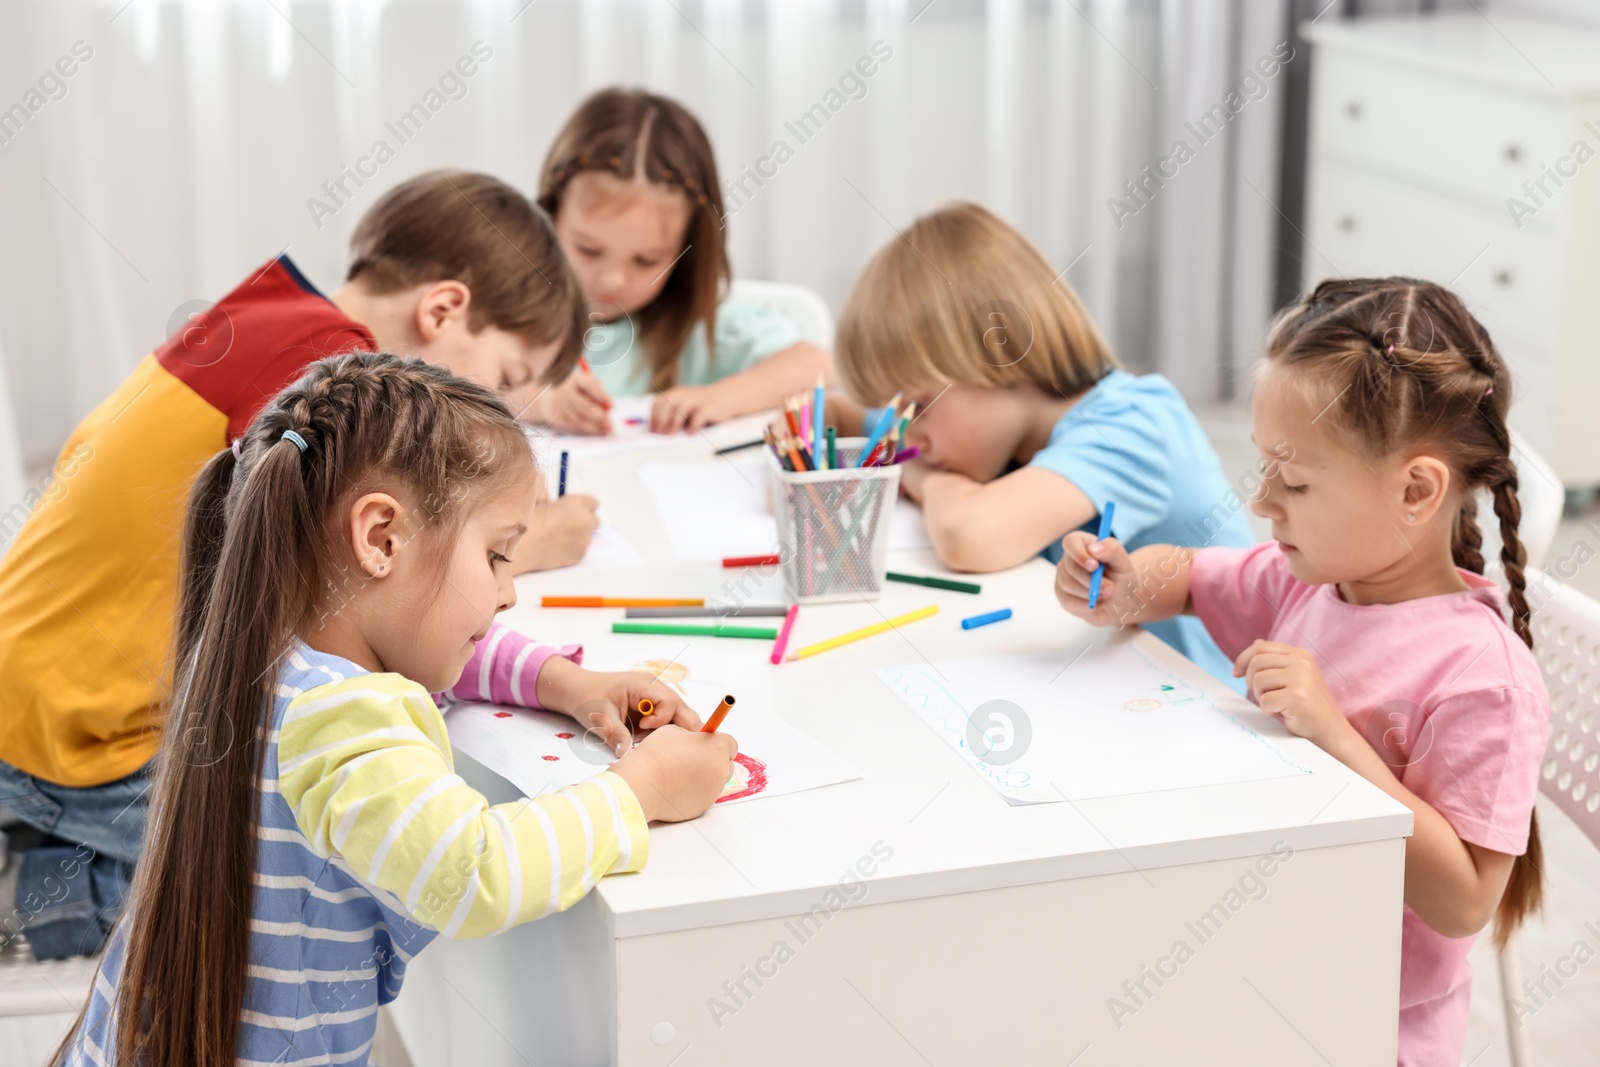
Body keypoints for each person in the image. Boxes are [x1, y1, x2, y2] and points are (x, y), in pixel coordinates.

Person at [54, 352, 736, 1066]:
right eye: (499, 555)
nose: (509, 593)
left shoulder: (267, 638)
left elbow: (442, 649)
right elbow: (469, 873)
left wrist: (565, 680)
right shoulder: (342, 719)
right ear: (382, 538)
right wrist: (642, 789)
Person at [0, 171, 596, 960]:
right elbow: (371, 602)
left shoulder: (279, 313)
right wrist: (528, 538)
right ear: (443, 309)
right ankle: (25, 899)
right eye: (509, 379)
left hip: (29, 672)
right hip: (82, 726)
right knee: (288, 867)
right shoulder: (336, 384)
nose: (499, 409)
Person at [1055, 277, 1549, 1067]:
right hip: (1257, 966)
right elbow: (1188, 572)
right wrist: (1121, 585)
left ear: (1416, 490)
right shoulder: (1314, 579)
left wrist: (1337, 736)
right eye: (1263, 468)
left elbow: (1463, 901)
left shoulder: (1484, 678)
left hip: (1361, 1022)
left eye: (1296, 481)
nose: (1262, 501)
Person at [834, 201, 1251, 685]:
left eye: (920, 406)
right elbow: (837, 403)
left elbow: (969, 537)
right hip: (1102, 679)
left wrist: (925, 477)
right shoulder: (993, 423)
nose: (907, 436)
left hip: (1206, 706)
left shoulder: (1132, 426)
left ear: (1001, 351)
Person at [524, 87, 832, 435]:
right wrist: (540, 399)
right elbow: (458, 380)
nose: (613, 281)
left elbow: (817, 366)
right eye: (588, 250)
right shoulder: (511, 314)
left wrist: (723, 396)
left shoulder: (702, 330)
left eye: (646, 260)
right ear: (549, 217)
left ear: (688, 251)